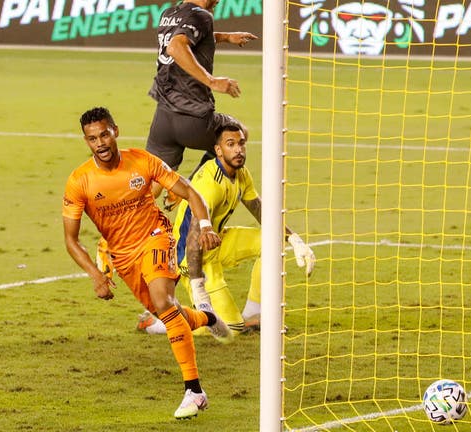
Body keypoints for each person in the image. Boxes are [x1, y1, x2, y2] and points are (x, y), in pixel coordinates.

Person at [62, 106, 233, 420]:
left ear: (116, 131)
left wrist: (206, 226)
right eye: (92, 138)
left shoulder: (143, 162)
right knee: (169, 314)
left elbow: (191, 192)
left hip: (157, 236)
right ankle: (206, 318)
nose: (99, 142)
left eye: (104, 134)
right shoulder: (79, 181)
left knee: (162, 301)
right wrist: (95, 275)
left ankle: (194, 391)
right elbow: (71, 240)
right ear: (86, 141)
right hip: (124, 257)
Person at [131, 121, 317, 336]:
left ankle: (253, 314)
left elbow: (259, 209)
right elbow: (193, 237)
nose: (238, 149)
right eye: (231, 144)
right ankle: (158, 322)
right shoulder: (209, 185)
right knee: (228, 330)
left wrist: (293, 239)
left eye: (241, 143)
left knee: (272, 242)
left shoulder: (241, 173)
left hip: (217, 241)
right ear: (218, 150)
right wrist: (198, 285)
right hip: (191, 258)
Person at [147, 0, 258, 210]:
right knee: (238, 133)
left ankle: (117, 235)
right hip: (194, 119)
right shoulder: (202, 16)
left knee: (151, 184)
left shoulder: (168, 13)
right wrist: (212, 81)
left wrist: (225, 37)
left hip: (163, 117)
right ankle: (187, 187)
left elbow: (191, 39)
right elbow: (176, 46)